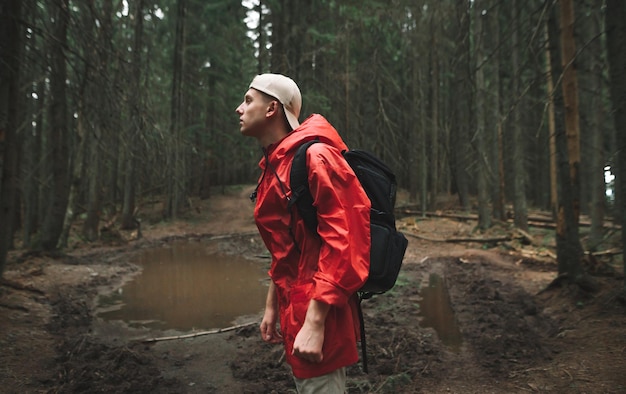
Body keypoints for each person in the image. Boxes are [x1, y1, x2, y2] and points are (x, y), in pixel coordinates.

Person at [235, 73, 371, 393]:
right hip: (296, 306)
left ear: (272, 109)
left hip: (320, 308)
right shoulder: (274, 165)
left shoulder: (315, 156)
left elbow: (346, 238)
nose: (239, 109)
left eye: (248, 100)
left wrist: (315, 321)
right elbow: (286, 249)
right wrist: (272, 307)